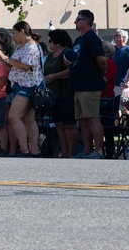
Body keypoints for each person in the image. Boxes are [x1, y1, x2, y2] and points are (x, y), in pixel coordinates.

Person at [0, 22, 44, 157]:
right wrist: (4, 62)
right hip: (20, 85)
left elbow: (25, 66)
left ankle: (24, 150)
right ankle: (34, 151)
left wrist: (6, 58)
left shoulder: (31, 47)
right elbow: (15, 66)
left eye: (14, 33)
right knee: (28, 119)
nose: (13, 36)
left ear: (22, 31)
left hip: (28, 86)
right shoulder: (21, 47)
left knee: (14, 116)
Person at [67, 9, 106, 159]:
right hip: (78, 86)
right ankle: (88, 151)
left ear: (87, 22)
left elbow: (101, 60)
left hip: (90, 85)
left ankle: (99, 150)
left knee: (92, 118)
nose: (75, 22)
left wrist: (100, 73)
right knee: (82, 120)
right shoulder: (79, 40)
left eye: (78, 19)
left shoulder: (92, 38)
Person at [43, 29, 76, 159]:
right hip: (53, 94)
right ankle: (64, 151)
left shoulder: (67, 52)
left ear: (58, 42)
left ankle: (71, 152)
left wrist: (55, 76)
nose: (48, 42)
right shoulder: (50, 56)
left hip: (67, 93)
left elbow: (72, 70)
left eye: (50, 40)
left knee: (69, 124)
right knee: (59, 125)